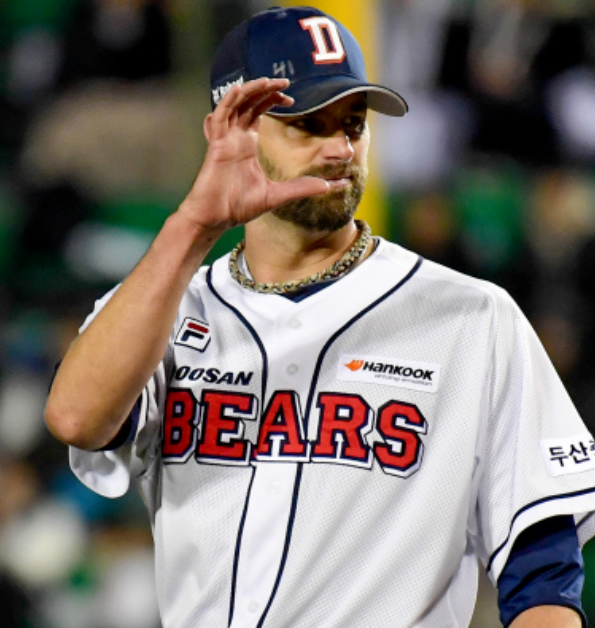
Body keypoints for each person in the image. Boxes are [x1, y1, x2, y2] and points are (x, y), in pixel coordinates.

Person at [45, 6, 595, 628]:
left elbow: (542, 574)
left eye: (353, 124)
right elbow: (77, 419)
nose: (340, 149)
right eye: (309, 124)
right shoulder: (165, 310)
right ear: (232, 129)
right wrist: (194, 225)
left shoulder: (471, 317)